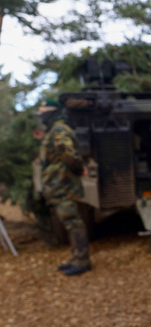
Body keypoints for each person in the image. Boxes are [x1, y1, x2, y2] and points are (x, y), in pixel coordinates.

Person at [38, 98, 92, 276]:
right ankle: (76, 257)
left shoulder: (59, 130)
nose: (40, 112)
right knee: (69, 223)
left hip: (63, 184)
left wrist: (78, 169)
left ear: (53, 111)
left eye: (43, 109)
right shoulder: (54, 130)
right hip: (58, 185)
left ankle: (82, 260)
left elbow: (70, 156)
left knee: (73, 222)